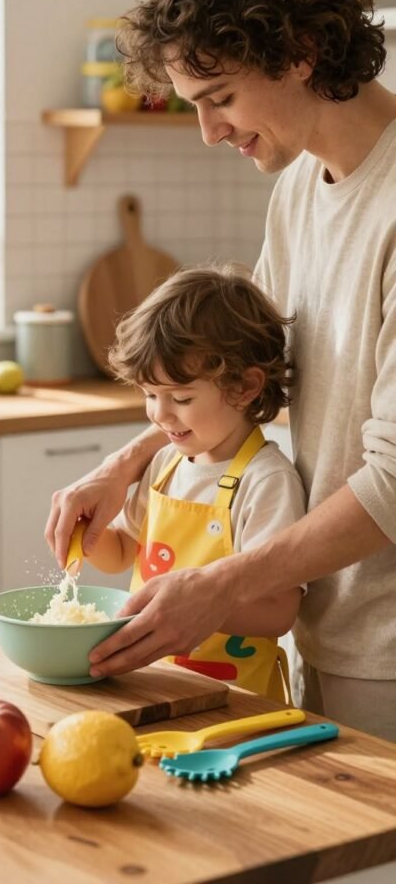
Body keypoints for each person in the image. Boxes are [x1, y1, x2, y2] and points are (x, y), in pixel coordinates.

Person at [45, 0, 396, 741]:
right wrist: (123, 463)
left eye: (221, 98)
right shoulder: (302, 188)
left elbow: (394, 480)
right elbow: (254, 380)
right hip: (325, 629)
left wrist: (221, 584)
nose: (209, 131)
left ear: (300, 50)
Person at [82, 263, 305, 702]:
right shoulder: (165, 463)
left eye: (180, 399)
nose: (159, 415)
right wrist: (88, 537)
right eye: (149, 395)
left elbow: (280, 612)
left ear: (244, 387)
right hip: (154, 685)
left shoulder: (267, 481)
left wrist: (199, 608)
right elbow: (126, 551)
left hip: (233, 699)